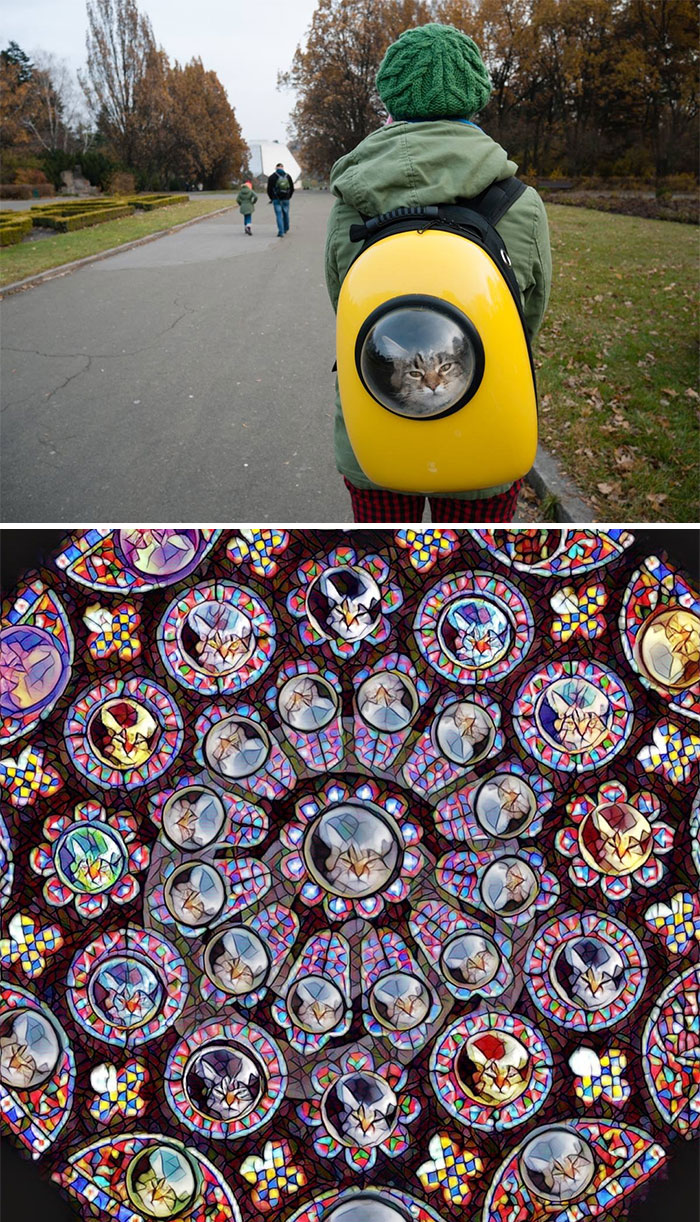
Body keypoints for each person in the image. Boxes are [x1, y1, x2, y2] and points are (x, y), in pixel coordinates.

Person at [325, 23, 552, 524]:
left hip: (379, 429)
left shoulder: (350, 201)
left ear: (391, 99)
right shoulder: (520, 203)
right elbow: (525, 321)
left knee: (386, 556)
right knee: (473, 558)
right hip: (486, 430)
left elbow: (346, 306)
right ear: (475, 98)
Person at [267, 162, 294, 237]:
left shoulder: (272, 177)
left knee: (279, 215)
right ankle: (286, 228)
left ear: (276, 168)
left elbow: (269, 190)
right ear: (283, 168)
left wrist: (271, 198)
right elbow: (292, 188)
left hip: (276, 199)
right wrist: (289, 196)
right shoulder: (288, 176)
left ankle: (281, 232)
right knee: (286, 213)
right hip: (286, 199)